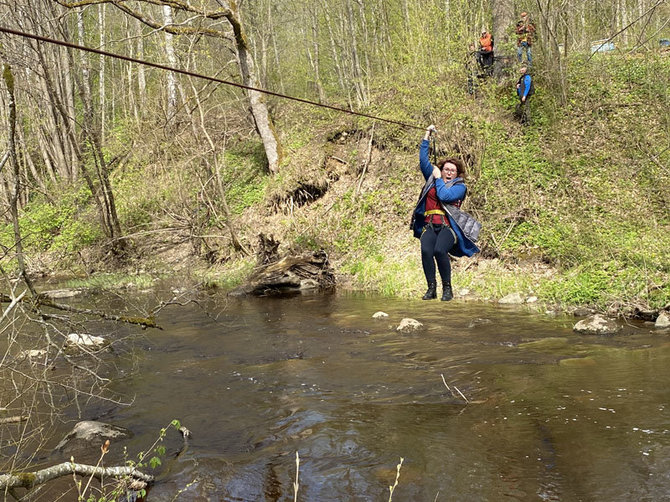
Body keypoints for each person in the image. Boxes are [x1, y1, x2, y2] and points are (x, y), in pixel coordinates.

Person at [411, 125, 480, 301]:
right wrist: (427, 135)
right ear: (441, 170)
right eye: (446, 169)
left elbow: (444, 195)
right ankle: (431, 288)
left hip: (447, 227)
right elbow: (423, 160)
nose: (449, 172)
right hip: (429, 225)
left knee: (440, 250)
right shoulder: (433, 179)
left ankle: (447, 288)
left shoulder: (459, 187)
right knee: (426, 251)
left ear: (457, 174)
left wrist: (438, 178)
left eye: (452, 170)